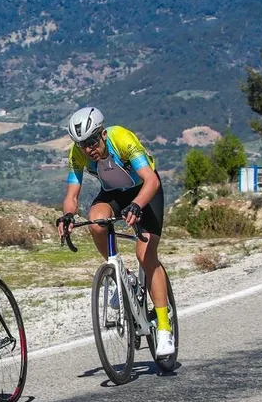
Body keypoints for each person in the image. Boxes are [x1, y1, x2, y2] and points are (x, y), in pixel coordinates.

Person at [55, 106, 174, 357]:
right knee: (96, 221)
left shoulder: (121, 138)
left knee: (146, 255)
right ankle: (123, 276)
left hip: (145, 192)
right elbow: (71, 195)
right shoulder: (78, 154)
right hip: (113, 193)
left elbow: (151, 180)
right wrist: (67, 215)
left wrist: (137, 205)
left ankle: (164, 328)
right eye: (81, 144)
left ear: (103, 134)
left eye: (92, 141)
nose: (88, 148)